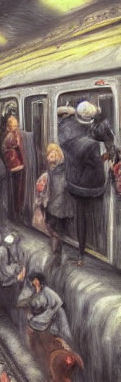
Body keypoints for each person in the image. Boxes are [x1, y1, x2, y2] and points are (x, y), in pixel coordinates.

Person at [59, 100, 107, 266]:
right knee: (91, 215)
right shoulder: (92, 142)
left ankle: (80, 252)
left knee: (79, 216)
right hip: (90, 186)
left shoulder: (65, 131)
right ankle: (92, 248)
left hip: (73, 182)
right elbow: (97, 164)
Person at [24, 272, 83, 382]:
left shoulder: (49, 295)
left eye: (33, 281)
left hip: (53, 326)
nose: (32, 284)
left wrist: (36, 321)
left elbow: (51, 312)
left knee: (55, 357)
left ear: (37, 280)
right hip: (45, 326)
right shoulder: (37, 292)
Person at [34, 144, 74, 261]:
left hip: (59, 205)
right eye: (50, 154)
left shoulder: (60, 170)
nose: (51, 156)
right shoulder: (51, 170)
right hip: (53, 203)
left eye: (54, 154)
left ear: (58, 155)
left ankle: (56, 255)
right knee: (52, 228)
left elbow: (61, 187)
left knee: (54, 228)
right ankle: (56, 253)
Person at [0, 228, 25, 316]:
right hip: (2, 276)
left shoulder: (16, 249)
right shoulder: (1, 251)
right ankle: (0, 310)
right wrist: (16, 269)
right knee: (1, 292)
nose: (14, 245)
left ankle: (8, 309)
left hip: (8, 276)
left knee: (9, 292)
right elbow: (5, 270)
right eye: (14, 243)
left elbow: (20, 263)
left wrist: (20, 268)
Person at [0, 113, 25, 221]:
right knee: (16, 190)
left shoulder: (7, 135)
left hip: (13, 166)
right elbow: (17, 147)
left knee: (15, 190)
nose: (15, 128)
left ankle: (15, 212)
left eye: (16, 126)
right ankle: (15, 213)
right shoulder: (10, 136)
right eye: (13, 126)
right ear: (9, 126)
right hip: (15, 166)